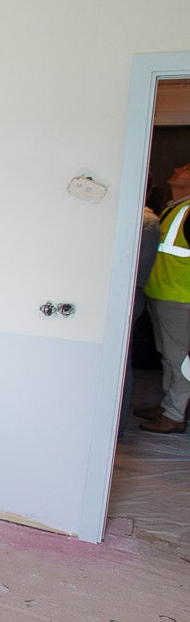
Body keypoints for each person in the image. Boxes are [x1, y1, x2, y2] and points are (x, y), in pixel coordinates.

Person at [137, 162, 190, 433]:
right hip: (164, 294)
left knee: (178, 358)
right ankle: (169, 404)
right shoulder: (175, 208)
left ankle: (175, 414)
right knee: (167, 355)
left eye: (186, 168)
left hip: (180, 298)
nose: (178, 169)